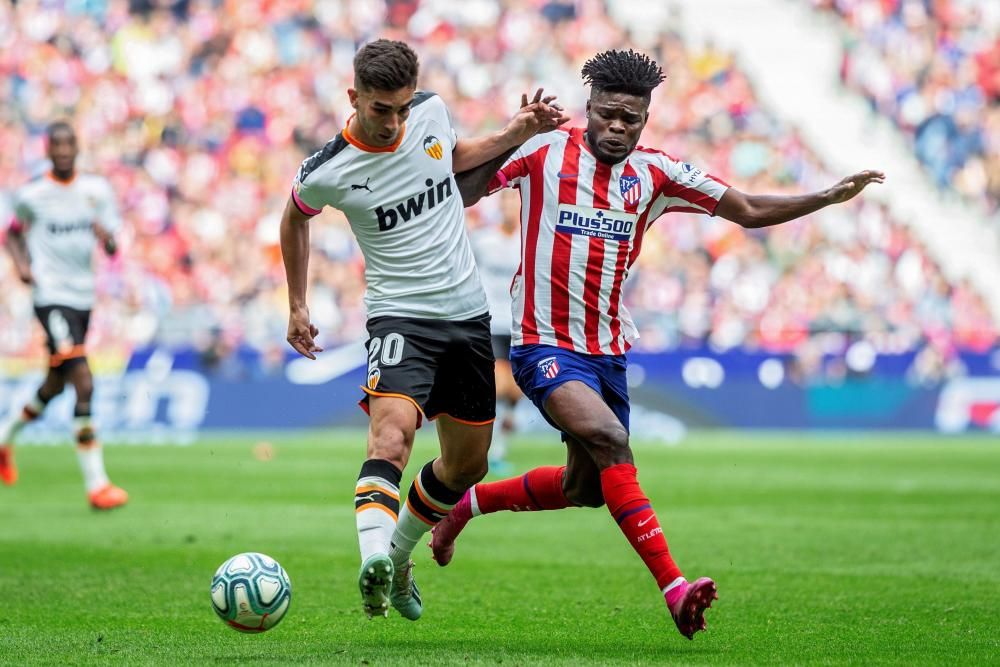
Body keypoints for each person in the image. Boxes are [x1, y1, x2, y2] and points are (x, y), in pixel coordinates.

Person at [430, 49, 885, 640]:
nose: (618, 127)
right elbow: (461, 194)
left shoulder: (657, 173)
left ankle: (467, 507)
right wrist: (511, 134)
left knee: (585, 488)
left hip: (607, 351)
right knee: (610, 439)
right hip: (541, 341)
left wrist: (823, 198)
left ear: (645, 118)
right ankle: (675, 588)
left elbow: (745, 209)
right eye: (609, 114)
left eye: (632, 119)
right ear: (589, 109)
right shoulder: (543, 148)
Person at [280, 39, 566, 621]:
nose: (394, 122)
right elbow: (293, 219)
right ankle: (370, 560)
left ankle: (398, 555)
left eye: (403, 108)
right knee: (391, 436)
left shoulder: (430, 112)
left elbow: (452, 158)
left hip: (467, 316)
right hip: (398, 315)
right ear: (353, 97)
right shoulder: (329, 169)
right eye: (382, 109)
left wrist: (517, 131)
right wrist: (296, 303)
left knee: (468, 466)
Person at [0, 121, 128, 511]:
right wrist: (22, 265)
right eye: (56, 145)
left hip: (82, 298)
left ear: (77, 148)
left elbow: (111, 246)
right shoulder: (33, 196)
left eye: (68, 144)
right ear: (47, 150)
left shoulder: (96, 192)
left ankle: (3, 442)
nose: (62, 150)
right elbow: (11, 233)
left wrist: (106, 238)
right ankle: (97, 485)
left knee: (53, 386)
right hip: (50, 296)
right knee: (83, 381)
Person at [468, 203, 524, 474]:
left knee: (514, 391)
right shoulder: (482, 239)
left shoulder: (528, 241)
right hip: (490, 321)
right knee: (498, 384)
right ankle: (481, 450)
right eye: (505, 205)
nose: (510, 210)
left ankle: (497, 450)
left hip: (519, 323)